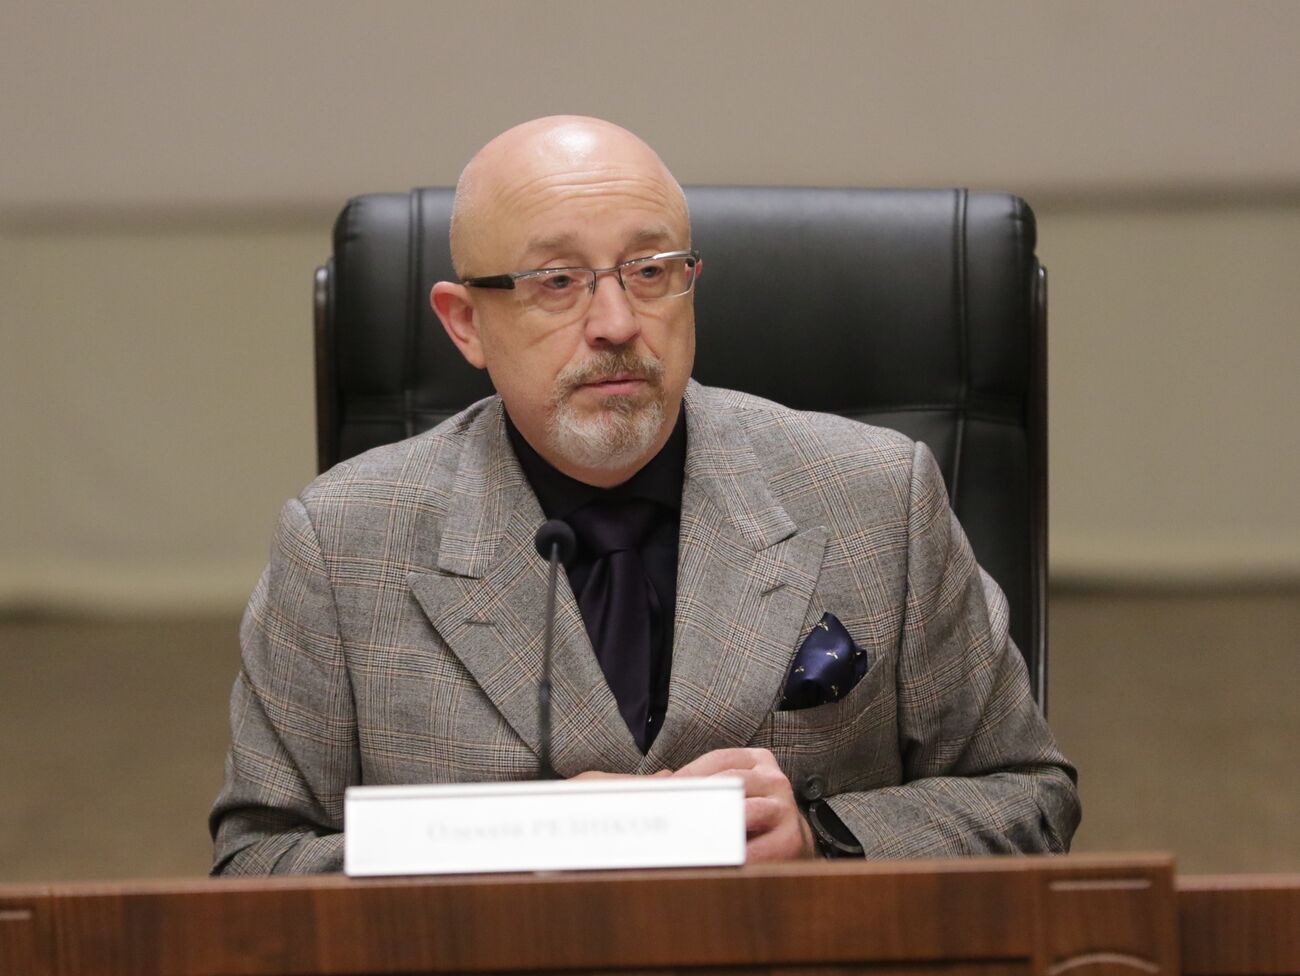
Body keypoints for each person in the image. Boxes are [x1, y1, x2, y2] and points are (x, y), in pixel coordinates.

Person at [210, 116, 1079, 873]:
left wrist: (825, 839)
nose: (618, 323)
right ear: (466, 322)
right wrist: (516, 843)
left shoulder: (878, 496)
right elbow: (260, 861)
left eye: (651, 271)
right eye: (558, 281)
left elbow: (1029, 798)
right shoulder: (341, 542)